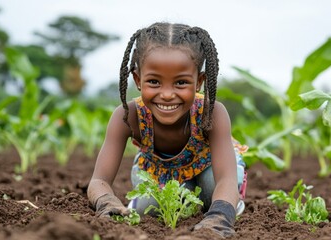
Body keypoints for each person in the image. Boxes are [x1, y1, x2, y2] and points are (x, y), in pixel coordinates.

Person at [87, 22, 248, 238]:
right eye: (154, 82)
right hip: (158, 171)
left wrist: (220, 216)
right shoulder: (127, 116)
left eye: (181, 83)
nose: (167, 94)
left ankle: (231, 203)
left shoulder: (212, 113)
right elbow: (99, 181)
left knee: (211, 190)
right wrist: (106, 203)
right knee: (150, 209)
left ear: (199, 82)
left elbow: (225, 178)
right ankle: (186, 195)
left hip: (211, 169)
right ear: (137, 79)